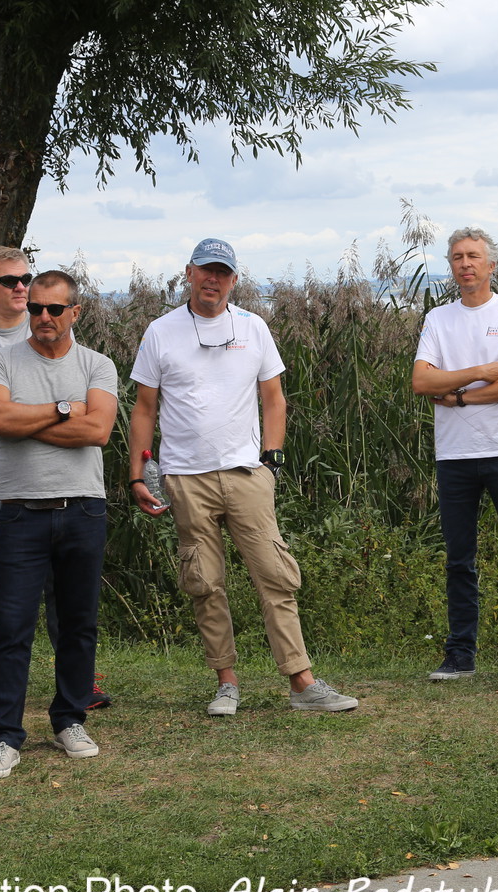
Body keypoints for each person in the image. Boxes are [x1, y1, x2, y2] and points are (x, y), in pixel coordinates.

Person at [128, 238, 357, 715]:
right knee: (205, 581)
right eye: (205, 270)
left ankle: (302, 684)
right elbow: (144, 408)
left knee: (275, 574)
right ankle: (226, 683)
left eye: (223, 272)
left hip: (247, 473)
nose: (213, 279)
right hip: (186, 477)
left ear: (234, 280)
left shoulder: (254, 327)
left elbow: (274, 398)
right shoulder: (161, 331)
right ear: (188, 273)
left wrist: (272, 460)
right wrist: (138, 474)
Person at [0, 247, 114, 726]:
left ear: (71, 312)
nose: (25, 293)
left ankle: (76, 692)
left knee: (72, 605)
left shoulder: (87, 359)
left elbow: (97, 430)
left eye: (28, 281)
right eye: (13, 282)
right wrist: (62, 407)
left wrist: (20, 417)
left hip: (73, 495)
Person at [412, 227, 498, 681]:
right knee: (459, 558)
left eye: (474, 256)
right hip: (454, 455)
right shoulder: (438, 319)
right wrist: (477, 373)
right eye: (457, 257)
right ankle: (460, 655)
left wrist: (458, 395)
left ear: (491, 266)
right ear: (451, 266)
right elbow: (420, 382)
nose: (466, 263)